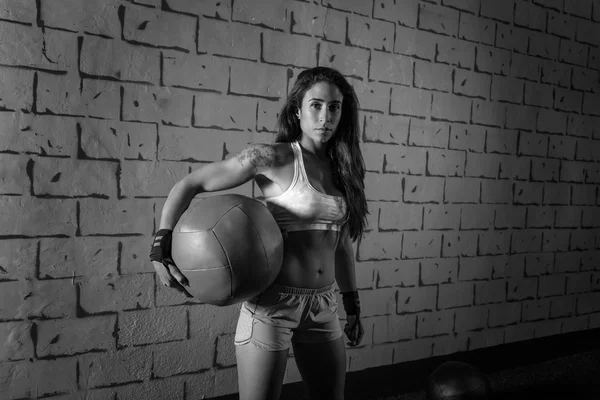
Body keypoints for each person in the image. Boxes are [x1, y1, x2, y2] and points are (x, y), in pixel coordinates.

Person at [150, 66, 368, 400]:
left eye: (334, 107)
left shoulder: (343, 171)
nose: (325, 116)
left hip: (323, 304)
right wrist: (159, 248)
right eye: (316, 105)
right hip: (273, 305)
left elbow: (340, 245)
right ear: (298, 110)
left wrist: (352, 304)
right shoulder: (273, 157)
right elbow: (190, 184)